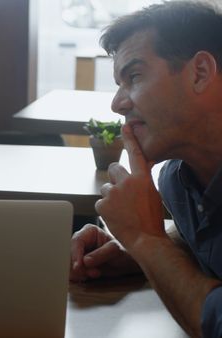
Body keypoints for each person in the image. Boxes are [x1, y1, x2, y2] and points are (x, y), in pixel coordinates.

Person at [69, 1, 222, 337]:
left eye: (134, 76)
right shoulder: (176, 178)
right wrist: (135, 251)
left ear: (200, 73)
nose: (117, 103)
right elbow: (199, 240)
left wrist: (146, 240)